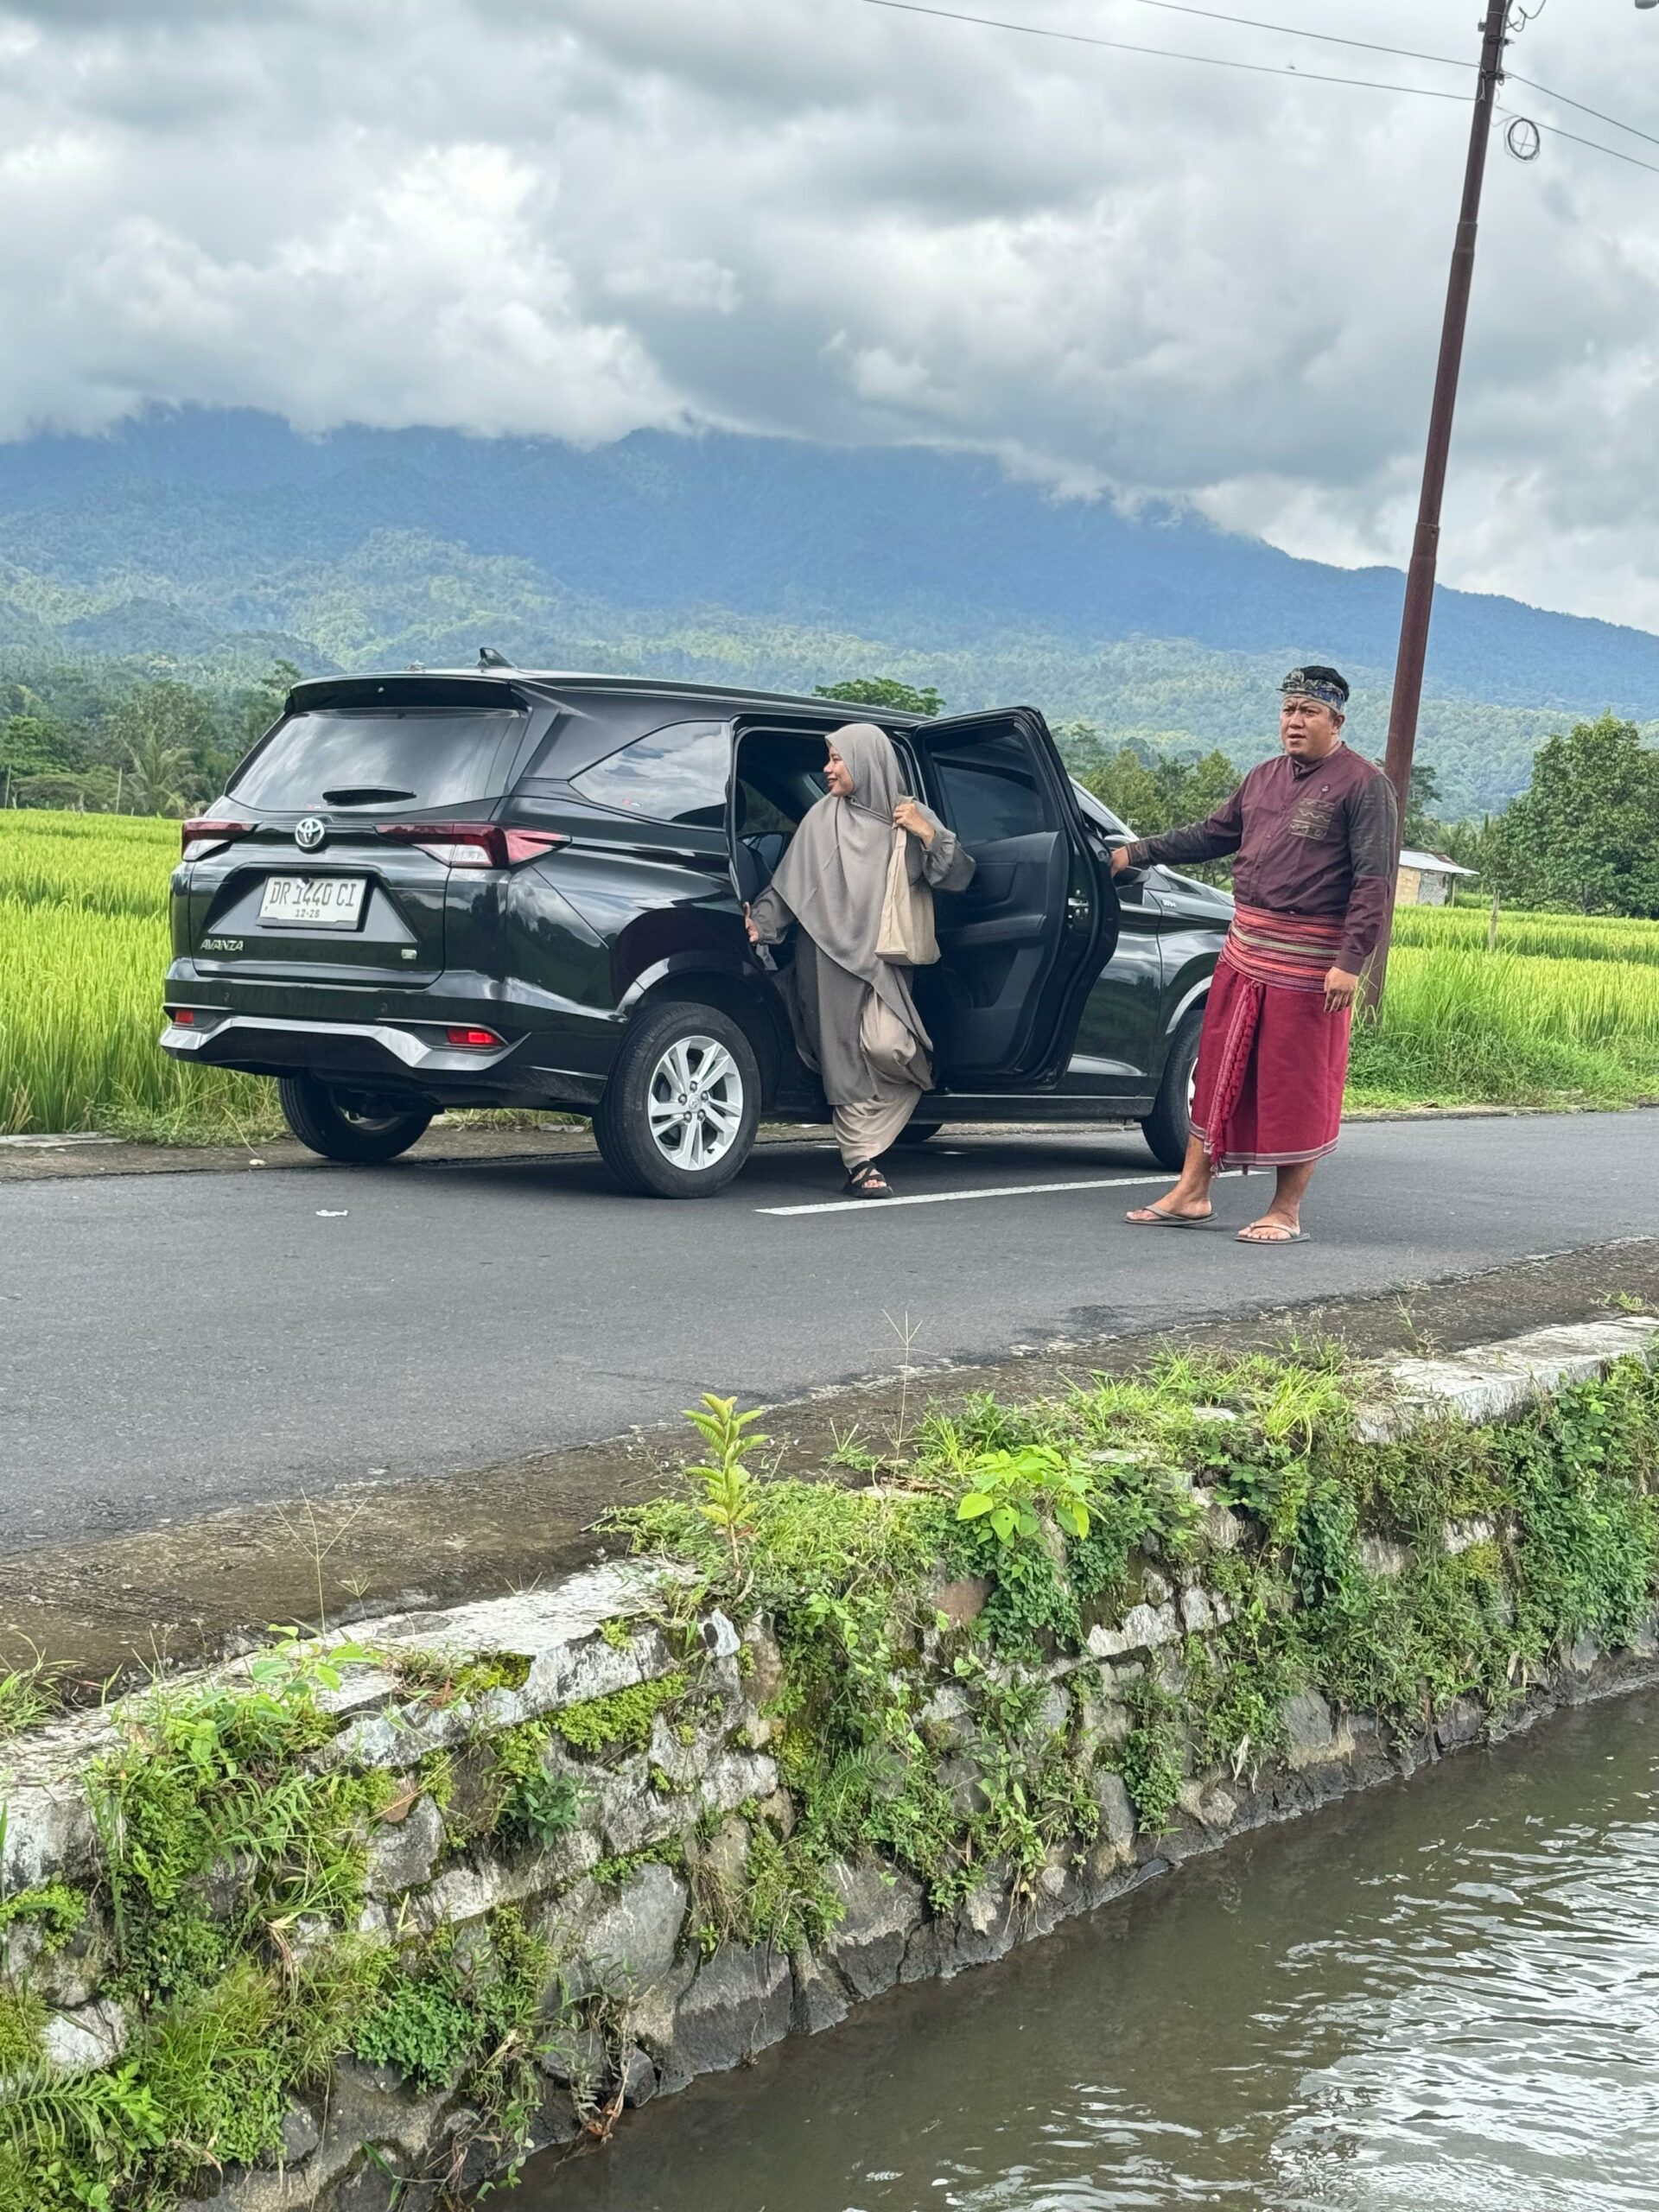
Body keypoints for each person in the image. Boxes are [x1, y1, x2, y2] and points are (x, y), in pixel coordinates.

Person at [1110, 666, 1398, 1243]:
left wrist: (1350, 962)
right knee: (1218, 1070)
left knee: (1297, 1082)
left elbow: (1374, 883)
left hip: (1310, 962)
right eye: (1289, 710)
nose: (1295, 721)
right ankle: (1191, 1194)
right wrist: (1137, 852)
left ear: (1336, 721)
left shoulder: (1364, 786)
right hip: (1244, 952)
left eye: (1309, 712)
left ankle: (1285, 1210)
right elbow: (1212, 834)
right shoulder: (1264, 777)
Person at [745, 722, 975, 1197]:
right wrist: (761, 924)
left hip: (884, 959)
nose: (827, 769)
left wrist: (926, 832)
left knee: (893, 1048)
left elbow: (956, 876)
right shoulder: (821, 819)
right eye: (829, 758)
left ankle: (876, 1135)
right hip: (826, 956)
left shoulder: (909, 814)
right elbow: (790, 885)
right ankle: (860, 1163)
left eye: (836, 759)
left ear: (867, 762)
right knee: (843, 1055)